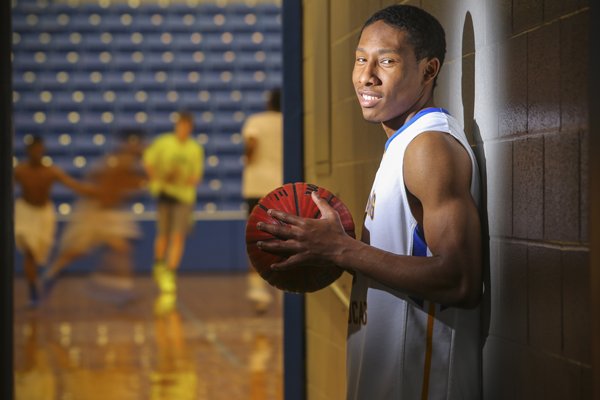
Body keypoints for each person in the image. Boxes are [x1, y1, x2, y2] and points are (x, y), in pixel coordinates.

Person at [255, 5, 482, 399]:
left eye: (387, 61)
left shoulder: (428, 147)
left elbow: (460, 281)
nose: (366, 76)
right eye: (361, 59)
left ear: (429, 71)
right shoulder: (401, 145)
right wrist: (328, 254)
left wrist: (342, 249)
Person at [42, 129, 147, 303]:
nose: (142, 146)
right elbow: (100, 186)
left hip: (111, 212)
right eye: (138, 143)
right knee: (75, 252)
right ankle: (50, 276)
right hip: (94, 212)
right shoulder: (118, 162)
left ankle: (119, 289)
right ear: (129, 144)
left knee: (122, 248)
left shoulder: (127, 163)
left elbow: (124, 187)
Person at [13, 136, 96, 307]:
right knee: (29, 250)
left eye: (39, 150)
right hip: (25, 211)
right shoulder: (20, 171)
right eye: (33, 150)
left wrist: (97, 192)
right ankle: (33, 291)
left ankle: (41, 280)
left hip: (44, 213)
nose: (36, 153)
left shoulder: (51, 171)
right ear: (28, 151)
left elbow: (74, 185)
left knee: (39, 253)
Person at [143, 112, 204, 294]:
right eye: (181, 125)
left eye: (186, 126)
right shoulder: (163, 143)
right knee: (163, 234)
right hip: (164, 194)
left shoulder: (195, 149)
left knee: (178, 236)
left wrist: (181, 177)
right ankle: (159, 264)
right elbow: (148, 161)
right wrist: (159, 177)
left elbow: (195, 177)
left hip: (183, 197)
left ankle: (170, 272)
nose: (183, 129)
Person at [241, 89, 283, 313]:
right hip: (281, 189)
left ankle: (258, 293)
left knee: (256, 240)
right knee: (284, 240)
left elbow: (251, 144)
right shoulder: (289, 123)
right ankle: (286, 291)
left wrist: (248, 158)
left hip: (256, 187)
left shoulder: (255, 121)